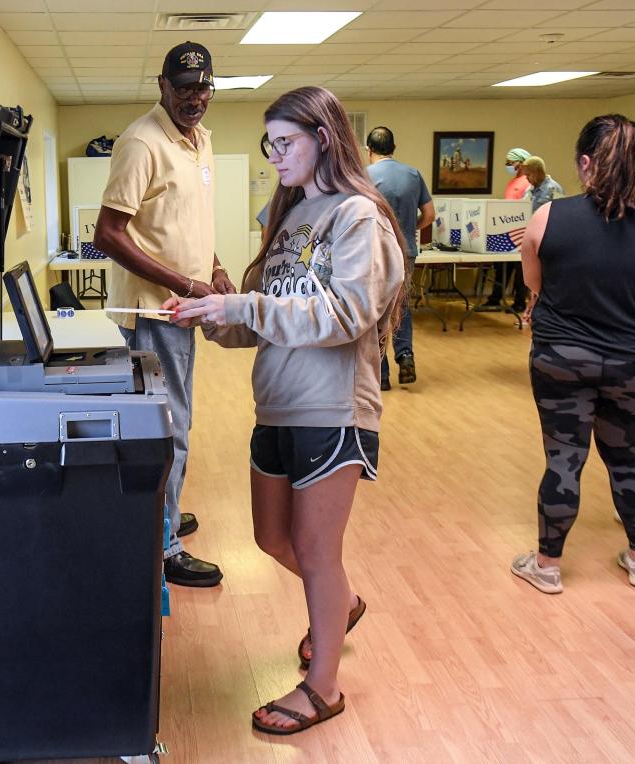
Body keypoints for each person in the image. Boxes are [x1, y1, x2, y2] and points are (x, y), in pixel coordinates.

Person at [164, 87, 406, 734]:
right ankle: (342, 603)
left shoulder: (358, 217)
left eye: (284, 142)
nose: (274, 156)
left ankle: (323, 687)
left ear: (324, 137)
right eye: (270, 143)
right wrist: (213, 316)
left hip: (333, 410)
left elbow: (347, 314)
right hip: (276, 404)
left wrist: (242, 306)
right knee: (272, 540)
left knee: (316, 550)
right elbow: (271, 320)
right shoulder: (292, 211)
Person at [511, 114, 635, 594]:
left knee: (565, 458)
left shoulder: (552, 217)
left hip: (563, 359)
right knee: (627, 456)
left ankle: (547, 566)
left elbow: (534, 284)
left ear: (585, 163)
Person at [93, 41, 234, 587]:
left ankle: (168, 515)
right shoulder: (141, 142)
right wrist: (185, 282)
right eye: (184, 89)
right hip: (156, 313)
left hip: (184, 307)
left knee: (177, 421)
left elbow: (187, 222)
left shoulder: (200, 141)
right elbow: (108, 234)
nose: (195, 98)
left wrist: (214, 267)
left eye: (204, 88)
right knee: (169, 429)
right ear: (162, 86)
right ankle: (164, 545)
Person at [366, 126, 434, 390]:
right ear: (394, 148)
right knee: (401, 306)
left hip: (375, 253)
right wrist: (407, 229)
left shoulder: (363, 177)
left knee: (376, 310)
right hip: (405, 253)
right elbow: (429, 215)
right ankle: (405, 357)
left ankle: (381, 374)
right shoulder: (413, 174)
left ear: (369, 149)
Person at [483, 147, 532, 310]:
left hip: (521, 233)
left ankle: (519, 302)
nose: (508, 166)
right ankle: (495, 298)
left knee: (520, 271)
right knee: (502, 268)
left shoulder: (528, 182)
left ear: (522, 163)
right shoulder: (512, 182)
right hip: (505, 231)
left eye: (511, 163)